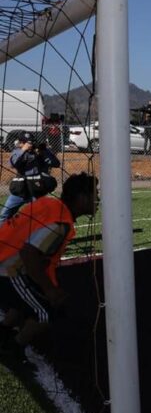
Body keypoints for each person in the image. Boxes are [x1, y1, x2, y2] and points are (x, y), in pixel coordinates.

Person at [0, 173, 98, 361]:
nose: (98, 199)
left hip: (7, 261)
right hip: (7, 269)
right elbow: (29, 254)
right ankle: (12, 350)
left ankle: (4, 330)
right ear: (82, 198)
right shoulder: (59, 223)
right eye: (95, 194)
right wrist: (50, 290)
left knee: (33, 294)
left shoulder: (52, 206)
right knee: (46, 312)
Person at [0, 134, 59, 223]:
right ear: (21, 144)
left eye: (32, 142)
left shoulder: (40, 152)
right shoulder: (17, 151)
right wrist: (24, 150)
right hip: (21, 189)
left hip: (37, 189)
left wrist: (44, 151)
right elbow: (12, 164)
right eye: (27, 143)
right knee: (5, 214)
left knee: (40, 216)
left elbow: (56, 163)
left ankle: (40, 235)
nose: (31, 144)